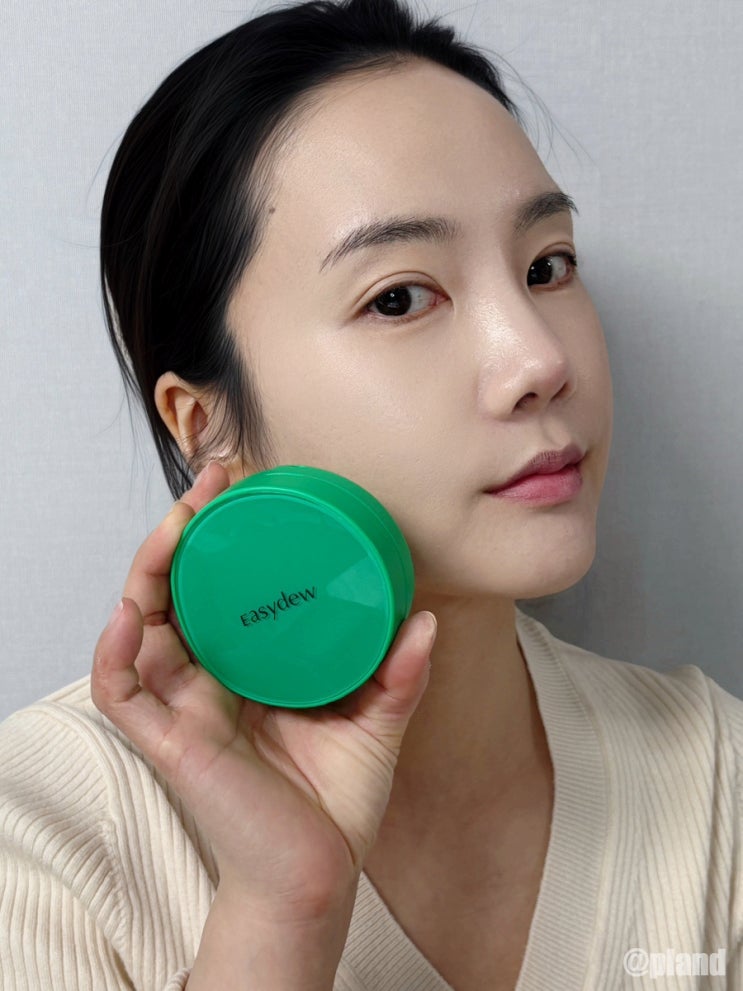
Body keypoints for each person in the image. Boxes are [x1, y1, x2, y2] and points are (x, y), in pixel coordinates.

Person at [0, 0, 741, 987]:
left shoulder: (714, 785)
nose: (537, 360)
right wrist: (282, 909)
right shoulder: (44, 831)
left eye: (546, 265)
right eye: (397, 296)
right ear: (203, 423)